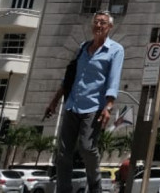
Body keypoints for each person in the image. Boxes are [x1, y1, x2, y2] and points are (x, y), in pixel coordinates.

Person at [44, 11, 125, 193]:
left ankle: (95, 187)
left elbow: (114, 80)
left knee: (87, 148)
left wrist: (109, 106)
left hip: (94, 106)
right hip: (73, 104)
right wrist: (54, 102)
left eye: (103, 23)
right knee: (63, 152)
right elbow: (70, 77)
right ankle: (63, 190)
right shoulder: (83, 47)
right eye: (96, 22)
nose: (98, 26)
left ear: (110, 27)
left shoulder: (116, 50)